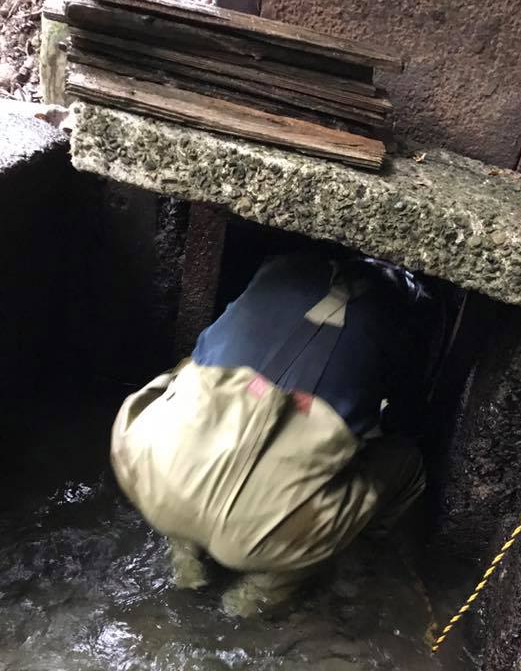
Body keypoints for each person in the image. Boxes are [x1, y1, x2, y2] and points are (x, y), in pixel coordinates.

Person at [110, 250, 438, 616]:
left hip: (156, 478)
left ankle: (183, 557)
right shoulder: (399, 313)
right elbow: (403, 416)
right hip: (269, 533)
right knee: (406, 462)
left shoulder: (281, 266)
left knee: (188, 383)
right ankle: (255, 598)